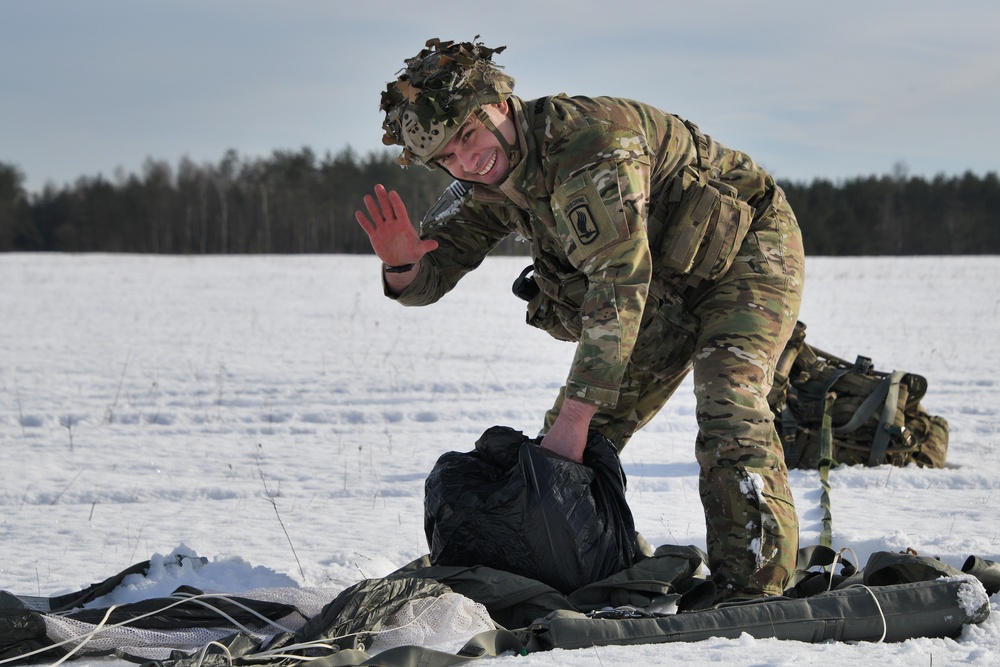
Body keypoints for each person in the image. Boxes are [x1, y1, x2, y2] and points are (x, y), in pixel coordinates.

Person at [355, 37, 805, 602]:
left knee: (728, 402)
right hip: (658, 282)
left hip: (746, 254)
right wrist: (400, 266)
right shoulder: (483, 181)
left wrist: (575, 417)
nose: (466, 162)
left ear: (499, 104)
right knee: (567, 449)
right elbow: (431, 274)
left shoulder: (592, 145)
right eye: (445, 157)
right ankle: (572, 565)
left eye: (468, 136)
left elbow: (619, 284)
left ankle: (755, 586)